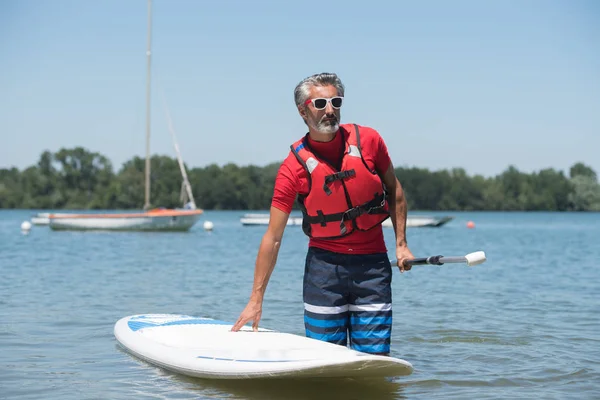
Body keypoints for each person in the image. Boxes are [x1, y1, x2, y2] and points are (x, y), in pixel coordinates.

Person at [231, 72, 414, 355]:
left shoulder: (370, 141)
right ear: (303, 111)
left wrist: (401, 245)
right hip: (324, 271)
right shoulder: (293, 168)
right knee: (325, 357)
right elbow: (273, 238)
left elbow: (395, 190)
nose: (330, 110)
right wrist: (256, 299)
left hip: (372, 267)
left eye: (335, 102)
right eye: (320, 104)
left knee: (374, 357)